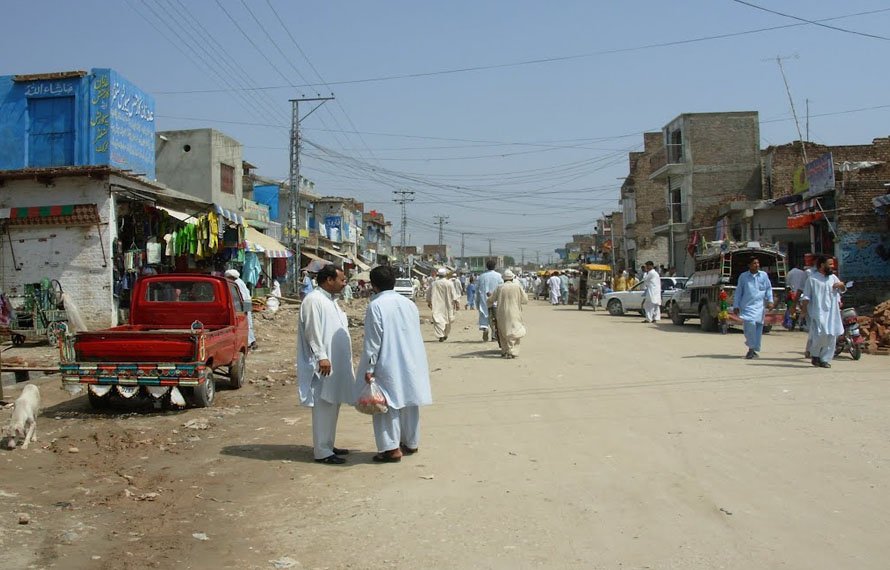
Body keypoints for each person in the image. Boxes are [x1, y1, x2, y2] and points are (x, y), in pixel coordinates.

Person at [357, 266, 433, 463]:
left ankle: (391, 449)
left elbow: (373, 341)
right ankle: (410, 442)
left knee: (386, 404)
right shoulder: (408, 304)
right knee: (409, 400)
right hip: (411, 360)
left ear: (373, 285)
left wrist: (370, 368)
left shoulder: (376, 306)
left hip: (387, 361)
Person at [296, 264, 356, 465]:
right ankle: (322, 450)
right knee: (323, 405)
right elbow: (312, 331)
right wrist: (321, 355)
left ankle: (328, 444)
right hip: (323, 363)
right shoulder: (314, 300)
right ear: (329, 280)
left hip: (334, 363)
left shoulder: (330, 300)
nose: (344, 283)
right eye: (341, 279)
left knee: (333, 403)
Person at [801, 255, 846, 368]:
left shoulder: (833, 278)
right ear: (822, 265)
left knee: (831, 335)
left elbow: (842, 289)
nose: (832, 266)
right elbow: (806, 297)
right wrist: (804, 311)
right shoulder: (812, 279)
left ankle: (824, 359)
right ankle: (815, 354)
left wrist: (841, 285)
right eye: (830, 264)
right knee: (822, 334)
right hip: (818, 312)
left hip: (832, 312)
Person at [732, 257, 775, 360]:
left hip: (759, 307)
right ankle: (751, 349)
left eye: (758, 263)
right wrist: (736, 305)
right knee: (750, 325)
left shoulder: (763, 275)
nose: (757, 265)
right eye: (754, 263)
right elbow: (739, 292)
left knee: (758, 329)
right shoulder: (743, 277)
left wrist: (770, 301)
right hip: (747, 306)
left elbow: (768, 288)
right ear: (749, 265)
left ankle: (754, 349)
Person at [491, 270, 528, 358]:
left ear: (503, 279)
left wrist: (488, 303)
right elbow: (525, 300)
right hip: (515, 312)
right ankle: (513, 351)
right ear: (512, 278)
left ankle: (505, 351)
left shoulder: (499, 287)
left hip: (501, 312)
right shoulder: (517, 286)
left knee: (502, 331)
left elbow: (491, 299)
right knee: (515, 330)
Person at [225, 269, 256, 349]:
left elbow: (241, 296)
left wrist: (243, 309)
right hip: (246, 302)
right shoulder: (239, 281)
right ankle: (251, 341)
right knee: (248, 322)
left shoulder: (237, 283)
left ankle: (249, 342)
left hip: (245, 303)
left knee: (246, 323)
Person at [475, 259, 504, 341]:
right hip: (496, 301)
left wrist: (477, 302)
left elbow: (477, 290)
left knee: (485, 316)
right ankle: (494, 335)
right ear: (494, 266)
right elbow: (501, 288)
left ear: (486, 266)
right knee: (495, 318)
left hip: (484, 300)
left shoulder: (481, 276)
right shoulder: (499, 276)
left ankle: (485, 328)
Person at [427, 267, 458, 341]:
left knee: (437, 320)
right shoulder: (449, 283)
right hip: (448, 305)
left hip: (437, 304)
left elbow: (428, 293)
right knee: (448, 320)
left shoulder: (434, 283)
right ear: (445, 275)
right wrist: (457, 303)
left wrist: (429, 302)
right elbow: (454, 295)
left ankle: (441, 335)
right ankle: (445, 334)